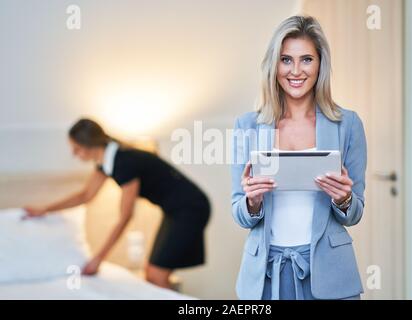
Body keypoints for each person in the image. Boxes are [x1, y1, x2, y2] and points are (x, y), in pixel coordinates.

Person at [231, 15, 367, 300]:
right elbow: (240, 212)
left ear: (320, 65)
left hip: (329, 275)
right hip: (266, 278)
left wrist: (343, 198)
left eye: (306, 59)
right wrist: (252, 202)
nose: (296, 71)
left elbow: (355, 212)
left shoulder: (348, 124)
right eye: (286, 59)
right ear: (274, 64)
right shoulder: (248, 126)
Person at [24, 118, 210, 288]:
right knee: (152, 273)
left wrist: (98, 259)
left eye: (76, 148)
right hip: (176, 210)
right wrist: (45, 210)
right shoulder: (106, 162)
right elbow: (85, 195)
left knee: (156, 274)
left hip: (191, 208)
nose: (74, 154)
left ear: (88, 145)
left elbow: (125, 216)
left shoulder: (124, 162)